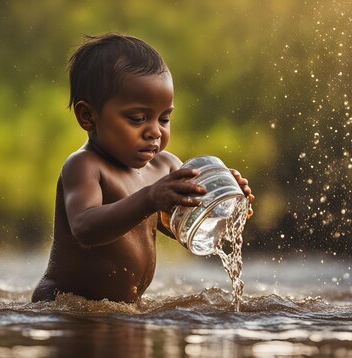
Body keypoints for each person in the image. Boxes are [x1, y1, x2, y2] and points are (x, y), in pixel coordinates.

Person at [32, 33, 254, 303]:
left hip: (125, 308)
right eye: (138, 118)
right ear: (88, 116)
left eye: (164, 118)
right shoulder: (85, 166)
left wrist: (223, 202)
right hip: (66, 305)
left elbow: (185, 228)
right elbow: (85, 228)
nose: (155, 132)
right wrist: (149, 199)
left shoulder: (165, 167)